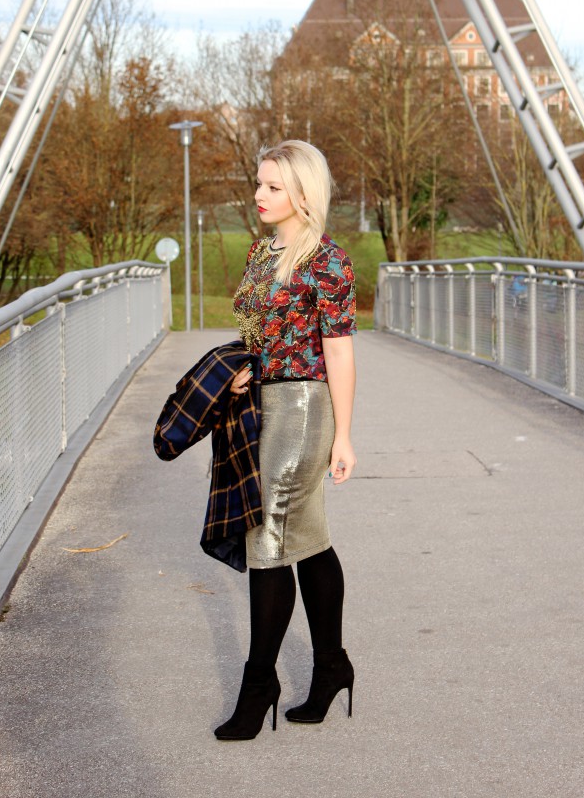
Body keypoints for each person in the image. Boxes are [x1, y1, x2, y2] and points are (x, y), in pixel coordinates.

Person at [214, 139, 358, 742]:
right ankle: (331, 668)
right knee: (307, 539)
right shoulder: (259, 251)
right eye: (259, 183)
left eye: (272, 186)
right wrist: (243, 369)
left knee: (267, 535)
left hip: (302, 408)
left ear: (303, 193)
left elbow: (339, 348)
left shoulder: (327, 261)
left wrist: (344, 435)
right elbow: (255, 329)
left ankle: (259, 683)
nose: (258, 195)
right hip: (259, 404)